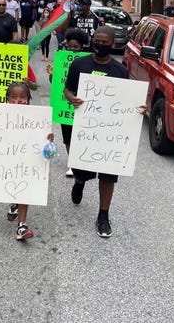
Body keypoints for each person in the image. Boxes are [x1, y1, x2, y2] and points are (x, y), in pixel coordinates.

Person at [63, 25, 139, 237]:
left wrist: (139, 109)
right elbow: (67, 89)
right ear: (92, 40)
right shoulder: (79, 64)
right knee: (82, 169)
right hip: (86, 129)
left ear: (113, 44)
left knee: (108, 175)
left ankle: (103, 215)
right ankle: (79, 181)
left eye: (105, 42)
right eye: (97, 40)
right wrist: (72, 99)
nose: (100, 45)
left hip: (110, 133)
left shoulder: (120, 71)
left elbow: (128, 100)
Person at [0, 81, 53, 241]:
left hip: (27, 162)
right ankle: (13, 204)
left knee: (24, 189)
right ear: (6, 98)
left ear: (28, 99)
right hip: (7, 160)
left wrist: (48, 140)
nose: (18, 100)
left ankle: (22, 225)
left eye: (22, 97)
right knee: (10, 184)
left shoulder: (37, 120)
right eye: (13, 97)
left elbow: (48, 150)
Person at [46, 28, 90, 178]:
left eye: (75, 47)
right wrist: (52, 75)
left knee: (80, 133)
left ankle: (81, 158)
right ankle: (72, 163)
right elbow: (56, 84)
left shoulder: (88, 61)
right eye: (69, 47)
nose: (72, 50)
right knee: (67, 134)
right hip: (65, 104)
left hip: (82, 103)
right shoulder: (62, 59)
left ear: (82, 47)